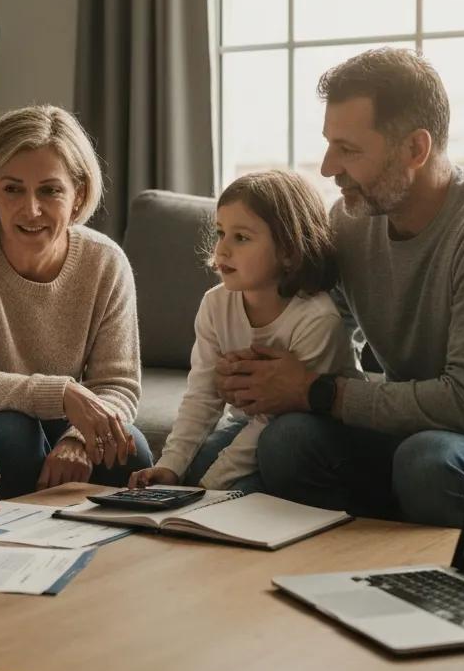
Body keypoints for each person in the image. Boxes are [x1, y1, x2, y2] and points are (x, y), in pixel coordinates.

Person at [217, 48, 464, 527]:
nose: (327, 168)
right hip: (422, 434)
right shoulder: (351, 221)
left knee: (427, 464)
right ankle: (360, 562)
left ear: (414, 149)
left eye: (348, 150)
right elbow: (321, 330)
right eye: (328, 145)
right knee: (286, 442)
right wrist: (252, 377)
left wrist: (319, 393)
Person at [0, 104, 153, 499]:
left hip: (65, 422)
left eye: (50, 190)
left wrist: (79, 438)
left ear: (78, 195)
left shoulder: (105, 261)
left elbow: (118, 383)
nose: (31, 209)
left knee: (130, 450)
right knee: (10, 435)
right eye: (12, 189)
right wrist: (63, 393)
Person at [128, 170, 355, 494]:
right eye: (221, 233)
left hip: (309, 434)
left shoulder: (317, 320)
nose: (222, 250)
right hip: (247, 422)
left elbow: (272, 419)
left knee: (232, 480)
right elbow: (202, 394)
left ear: (289, 251)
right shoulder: (215, 305)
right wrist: (170, 466)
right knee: (192, 471)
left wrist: (209, 488)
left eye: (241, 238)